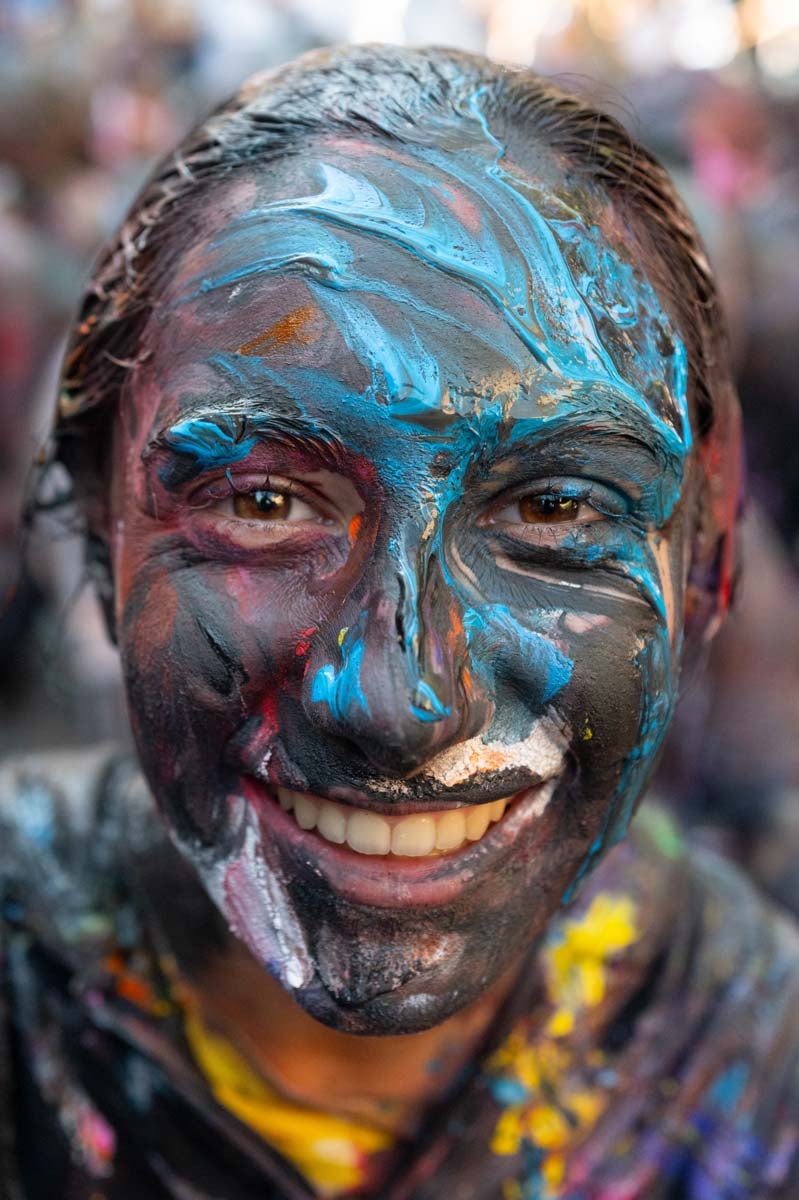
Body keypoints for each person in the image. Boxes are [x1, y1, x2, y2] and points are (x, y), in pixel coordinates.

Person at [2, 44, 797, 1200]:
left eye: (555, 508)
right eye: (263, 504)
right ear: (95, 530)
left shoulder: (759, 1069)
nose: (396, 699)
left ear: (708, 563)